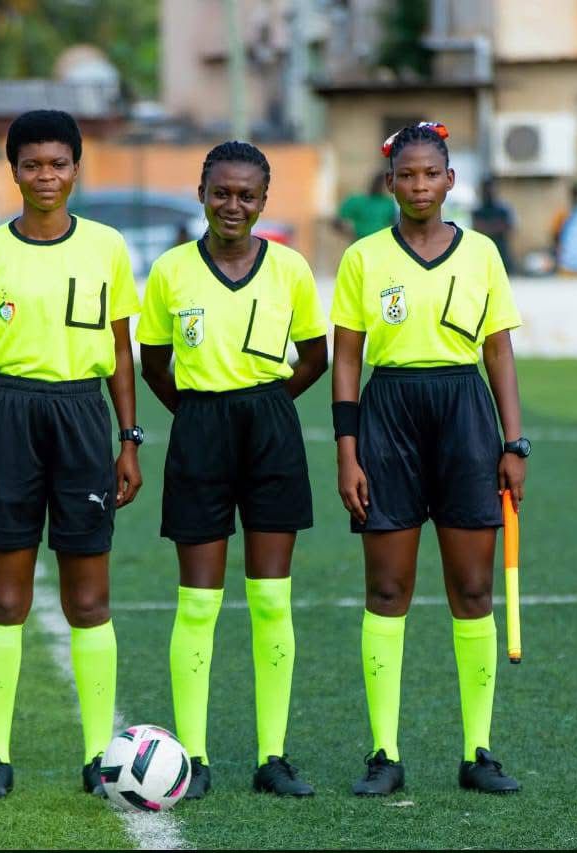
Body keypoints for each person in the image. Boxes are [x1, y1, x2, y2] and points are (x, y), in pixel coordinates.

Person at [0, 109, 143, 800]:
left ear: (77, 167)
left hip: (85, 416)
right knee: (5, 596)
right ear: (14, 170)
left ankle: (98, 756)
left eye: (58, 163)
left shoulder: (108, 248)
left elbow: (122, 350)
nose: (46, 175)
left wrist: (128, 437)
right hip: (11, 417)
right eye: (32, 164)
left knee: (90, 596)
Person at [330, 121, 528, 797]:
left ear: (450, 181)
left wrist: (514, 441)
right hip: (388, 416)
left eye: (430, 174)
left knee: (473, 589)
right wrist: (347, 451)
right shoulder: (363, 258)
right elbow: (348, 358)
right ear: (390, 184)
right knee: (388, 590)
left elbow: (498, 349)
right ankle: (384, 752)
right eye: (406, 175)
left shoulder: (482, 255)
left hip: (464, 415)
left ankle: (479, 751)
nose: (418, 186)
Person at [138, 141, 329, 799]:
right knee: (199, 602)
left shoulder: (291, 270)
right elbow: (153, 364)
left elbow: (315, 356)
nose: (233, 205)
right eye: (221, 192)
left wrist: (266, 403)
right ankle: (192, 756)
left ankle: (271, 755)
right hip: (199, 432)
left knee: (271, 598)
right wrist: (199, 414)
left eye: (247, 194)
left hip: (271, 430)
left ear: (264, 201)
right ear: (201, 193)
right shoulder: (169, 272)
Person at [335, 171, 397, 240]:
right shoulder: (357, 201)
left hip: (381, 243)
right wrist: (349, 232)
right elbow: (337, 221)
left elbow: (396, 223)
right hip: (360, 242)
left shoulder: (389, 203)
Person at [471, 178, 516, 272]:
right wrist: (495, 226)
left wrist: (488, 227)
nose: (489, 192)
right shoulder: (477, 211)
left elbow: (508, 227)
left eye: (491, 189)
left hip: (501, 254)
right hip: (482, 256)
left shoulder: (503, 210)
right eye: (486, 189)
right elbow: (477, 228)